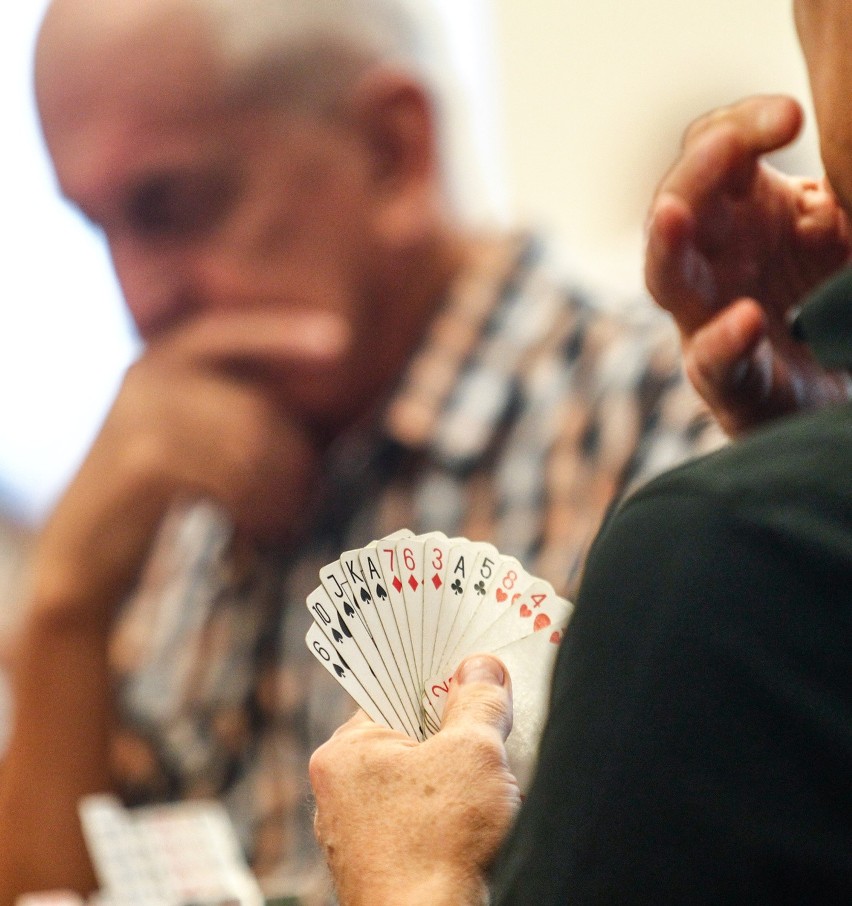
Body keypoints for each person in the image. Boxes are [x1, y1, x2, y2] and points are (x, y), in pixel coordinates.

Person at [0, 0, 725, 902]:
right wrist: (66, 598)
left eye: (174, 208)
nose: (138, 300)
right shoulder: (171, 489)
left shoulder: (674, 431)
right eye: (95, 226)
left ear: (393, 150)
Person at [309, 1, 852, 902]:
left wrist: (411, 878)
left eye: (170, 204)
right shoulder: (195, 495)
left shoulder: (713, 545)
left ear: (392, 145)